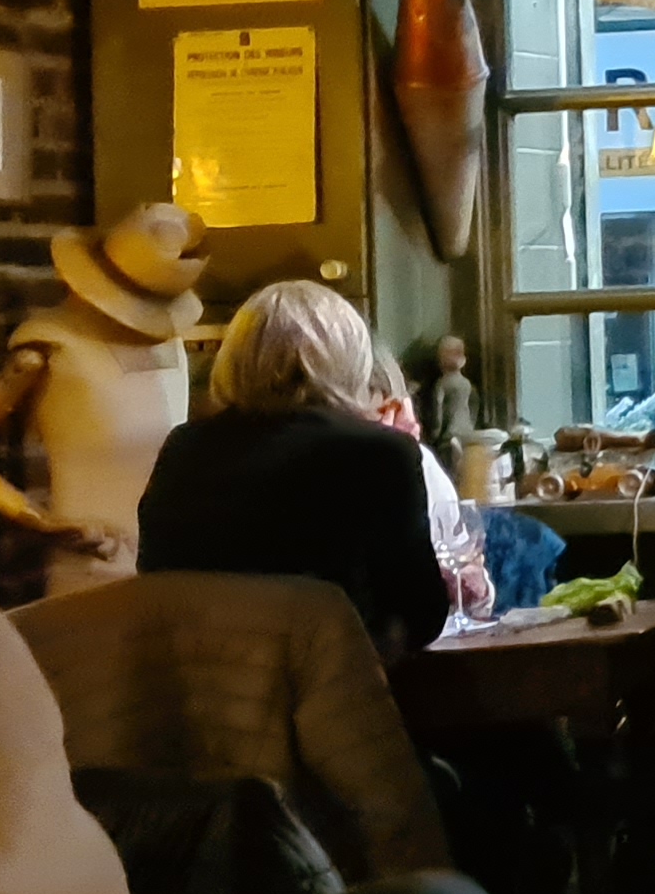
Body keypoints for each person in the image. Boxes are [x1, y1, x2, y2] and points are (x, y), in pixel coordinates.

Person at [138, 281, 454, 659]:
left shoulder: (183, 449)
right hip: (325, 682)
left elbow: (154, 585)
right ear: (352, 361)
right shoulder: (379, 453)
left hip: (200, 680)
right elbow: (422, 615)